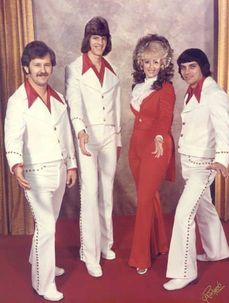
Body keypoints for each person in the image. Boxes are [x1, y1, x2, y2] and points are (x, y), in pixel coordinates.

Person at [4, 41, 77, 301]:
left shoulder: (58, 98)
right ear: (27, 68)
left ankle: (41, 264)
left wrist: (71, 164)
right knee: (46, 228)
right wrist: (16, 165)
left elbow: (66, 134)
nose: (43, 70)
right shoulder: (18, 101)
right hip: (34, 173)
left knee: (48, 226)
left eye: (47, 65)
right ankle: (43, 284)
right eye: (37, 65)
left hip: (58, 170)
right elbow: (12, 137)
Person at [163, 48, 229, 291]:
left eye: (192, 66)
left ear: (202, 66)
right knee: (204, 207)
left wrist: (222, 159)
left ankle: (184, 271)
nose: (187, 71)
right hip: (189, 161)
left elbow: (224, 126)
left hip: (205, 164)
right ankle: (217, 251)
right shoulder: (192, 92)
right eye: (183, 67)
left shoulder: (214, 93)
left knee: (184, 214)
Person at [65, 16, 121, 278]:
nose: (99, 42)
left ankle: (105, 244)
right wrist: (80, 129)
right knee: (90, 193)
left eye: (103, 38)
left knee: (107, 193)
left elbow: (117, 108)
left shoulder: (112, 69)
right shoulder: (74, 68)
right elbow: (73, 101)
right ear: (87, 39)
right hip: (87, 137)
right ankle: (90, 255)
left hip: (109, 135)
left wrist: (118, 139)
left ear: (107, 41)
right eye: (95, 37)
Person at [128, 34, 175, 275]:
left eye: (156, 61)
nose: (151, 66)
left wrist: (158, 137)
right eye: (147, 61)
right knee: (149, 196)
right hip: (135, 146)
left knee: (144, 201)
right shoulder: (136, 86)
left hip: (157, 146)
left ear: (164, 63)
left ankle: (141, 258)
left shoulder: (166, 88)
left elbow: (165, 116)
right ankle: (162, 244)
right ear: (140, 62)